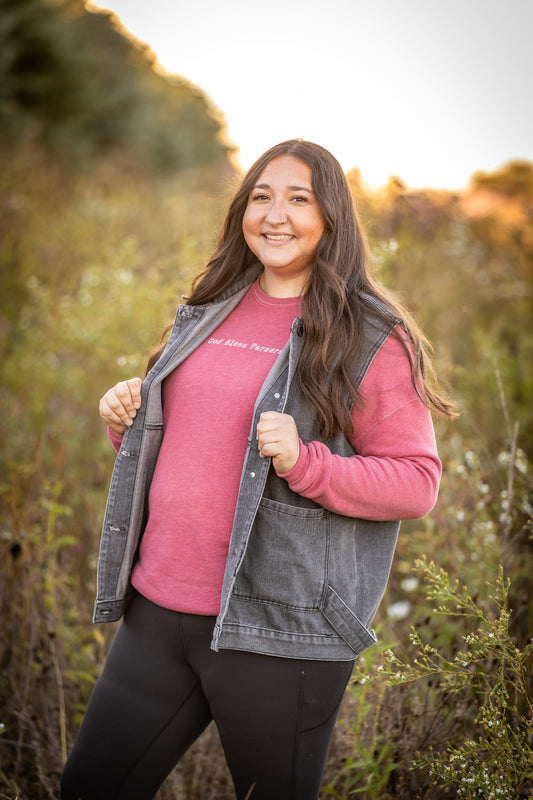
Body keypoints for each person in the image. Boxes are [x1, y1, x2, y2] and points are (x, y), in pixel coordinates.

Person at [61, 139, 455, 800]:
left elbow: (416, 483)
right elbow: (190, 446)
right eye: (261, 196)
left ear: (331, 217)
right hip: (157, 609)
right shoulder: (211, 304)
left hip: (279, 630)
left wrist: (307, 462)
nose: (275, 215)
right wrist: (126, 415)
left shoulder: (370, 335)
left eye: (298, 199)